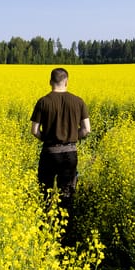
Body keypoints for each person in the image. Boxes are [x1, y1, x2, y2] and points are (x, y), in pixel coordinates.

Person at [30, 67, 90, 209]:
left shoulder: (43, 102)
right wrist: (74, 136)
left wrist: (48, 138)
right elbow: (87, 129)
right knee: (67, 194)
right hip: (70, 154)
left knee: (45, 193)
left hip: (49, 153)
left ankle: (44, 226)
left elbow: (34, 130)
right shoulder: (78, 101)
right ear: (66, 82)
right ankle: (65, 227)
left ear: (50, 82)